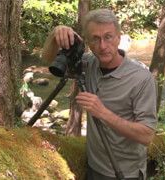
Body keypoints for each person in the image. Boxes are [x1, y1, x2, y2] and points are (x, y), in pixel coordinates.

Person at [41, 9, 157, 180]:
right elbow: (48, 59)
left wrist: (103, 113)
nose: (103, 46)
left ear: (119, 38)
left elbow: (147, 136)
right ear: (87, 42)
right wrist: (55, 34)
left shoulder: (142, 78)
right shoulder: (88, 64)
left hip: (126, 173)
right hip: (94, 166)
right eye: (95, 39)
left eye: (108, 37)